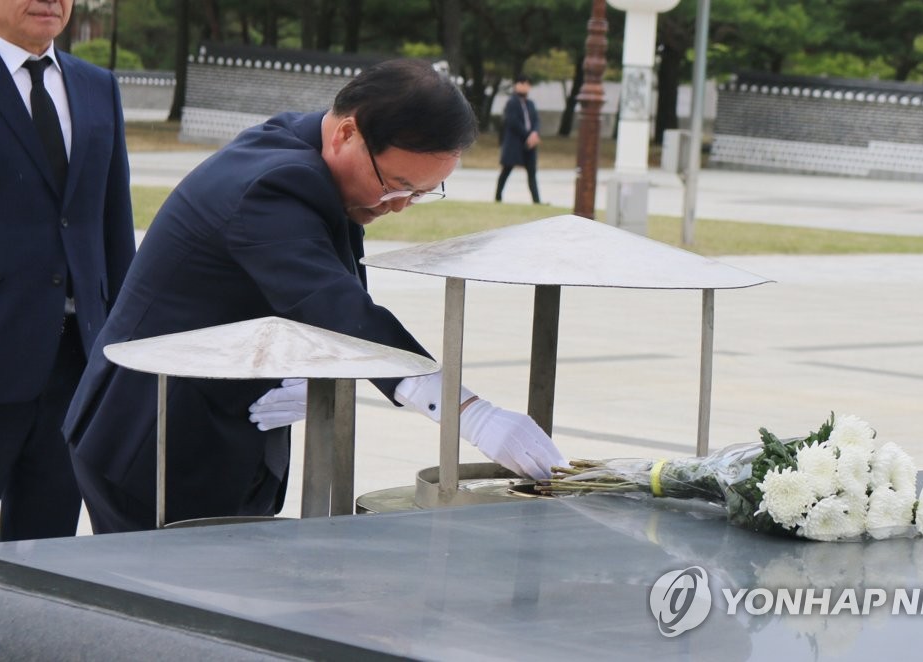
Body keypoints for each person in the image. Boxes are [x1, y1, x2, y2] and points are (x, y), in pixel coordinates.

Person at [64, 58, 566, 534]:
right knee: (171, 612)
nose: (398, 208)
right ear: (347, 132)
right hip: (153, 441)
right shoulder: (274, 182)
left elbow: (328, 295)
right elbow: (340, 308)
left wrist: (314, 370)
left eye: (418, 194)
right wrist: (466, 410)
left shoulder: (318, 162)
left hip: (229, 428)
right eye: (395, 186)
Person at [0, 0, 135, 541]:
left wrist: (124, 346)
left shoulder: (98, 86)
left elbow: (113, 224)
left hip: (77, 363)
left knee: (45, 542)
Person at [495, 74, 542, 204]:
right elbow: (513, 122)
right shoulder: (512, 102)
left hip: (530, 144)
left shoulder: (531, 103)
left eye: (527, 84)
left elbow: (536, 120)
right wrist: (528, 135)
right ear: (516, 85)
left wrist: (535, 133)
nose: (525, 86)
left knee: (532, 172)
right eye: (522, 83)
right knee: (506, 170)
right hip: (515, 143)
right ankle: (498, 197)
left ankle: (537, 201)